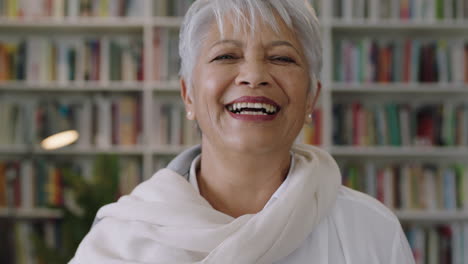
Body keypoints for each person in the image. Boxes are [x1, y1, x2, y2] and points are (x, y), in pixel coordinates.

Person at [71, 0, 415, 263]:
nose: (253, 75)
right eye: (226, 56)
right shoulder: (119, 242)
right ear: (188, 94)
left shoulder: (371, 231)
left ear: (311, 97)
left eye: (281, 58)